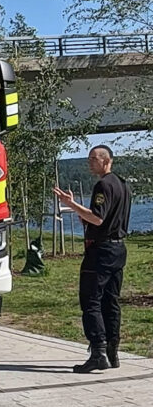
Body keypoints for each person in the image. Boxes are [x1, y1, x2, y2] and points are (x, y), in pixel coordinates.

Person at [54, 146, 132, 373]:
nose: (89, 163)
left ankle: (98, 351)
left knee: (91, 301)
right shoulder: (123, 185)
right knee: (111, 301)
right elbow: (107, 219)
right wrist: (83, 216)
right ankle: (112, 352)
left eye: (93, 159)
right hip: (118, 249)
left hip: (101, 251)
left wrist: (71, 204)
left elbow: (97, 219)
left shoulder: (103, 185)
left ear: (105, 161)